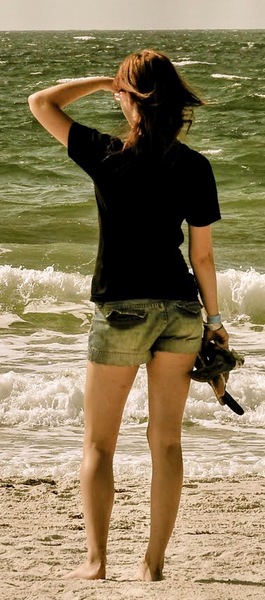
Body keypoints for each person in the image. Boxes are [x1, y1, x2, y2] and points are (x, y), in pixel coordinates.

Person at [28, 49, 229, 582]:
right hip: (183, 311)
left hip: (121, 310)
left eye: (122, 91)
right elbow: (202, 256)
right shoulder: (195, 165)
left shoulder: (105, 152)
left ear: (131, 98)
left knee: (98, 443)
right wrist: (214, 321)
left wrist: (101, 83)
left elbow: (40, 101)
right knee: (166, 442)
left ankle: (95, 563)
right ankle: (153, 564)